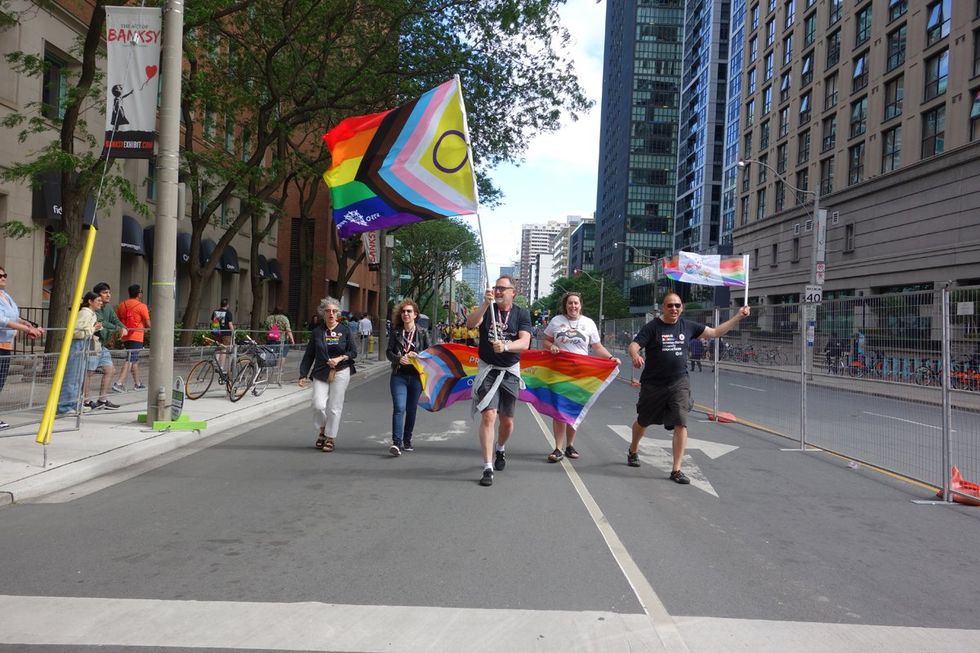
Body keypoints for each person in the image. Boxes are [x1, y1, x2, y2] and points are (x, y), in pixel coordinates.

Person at [627, 293, 750, 484]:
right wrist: (635, 355)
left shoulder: (688, 326)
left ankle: (676, 470)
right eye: (670, 305)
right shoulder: (652, 327)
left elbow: (715, 333)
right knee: (643, 421)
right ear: (663, 307)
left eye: (677, 305)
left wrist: (738, 316)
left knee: (681, 423)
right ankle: (633, 449)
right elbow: (634, 345)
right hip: (653, 384)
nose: (674, 309)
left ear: (682, 307)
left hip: (679, 382)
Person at [465, 275, 532, 487]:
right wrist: (485, 304)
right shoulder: (488, 308)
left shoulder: (521, 314)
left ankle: (500, 448)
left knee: (507, 421)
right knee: (489, 416)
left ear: (514, 292)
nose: (499, 291)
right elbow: (470, 324)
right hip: (488, 369)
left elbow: (525, 342)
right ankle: (487, 467)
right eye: (496, 288)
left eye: (503, 288)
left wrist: (505, 346)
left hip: (510, 370)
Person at [543, 291, 617, 463]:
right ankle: (558, 448)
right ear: (565, 305)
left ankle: (570, 445)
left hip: (581, 373)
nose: (573, 306)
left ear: (580, 305)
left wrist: (611, 358)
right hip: (559, 372)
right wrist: (551, 346)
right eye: (570, 303)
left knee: (574, 408)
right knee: (559, 409)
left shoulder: (588, 323)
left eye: (576, 303)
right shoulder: (556, 321)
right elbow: (545, 340)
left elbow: (597, 346)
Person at [298, 297, 358, 452]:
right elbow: (309, 354)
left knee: (334, 406)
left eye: (334, 311)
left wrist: (339, 358)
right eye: (328, 311)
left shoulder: (345, 330)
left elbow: (353, 352)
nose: (331, 314)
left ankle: (330, 437)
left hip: (341, 370)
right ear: (323, 313)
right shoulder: (317, 332)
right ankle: (323, 428)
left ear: (338, 313)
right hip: (321, 371)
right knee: (318, 404)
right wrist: (303, 374)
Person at [0, 266, 44, 429]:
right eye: (0, 276)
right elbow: (2, 320)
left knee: (0, 382)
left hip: (6, 345)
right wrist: (27, 329)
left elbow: (13, 316)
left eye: (5, 274)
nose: (3, 277)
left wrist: (25, 323)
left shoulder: (6, 295)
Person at [386, 299, 430, 456]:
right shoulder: (396, 332)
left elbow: (429, 355)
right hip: (399, 375)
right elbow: (388, 352)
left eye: (409, 311)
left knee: (411, 410)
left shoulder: (423, 333)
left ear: (415, 314)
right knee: (399, 408)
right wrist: (399, 359)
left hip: (416, 377)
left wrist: (417, 356)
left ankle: (407, 440)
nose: (406, 314)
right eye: (403, 311)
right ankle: (396, 443)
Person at [58, 292, 102, 415]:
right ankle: (65, 406)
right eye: (98, 300)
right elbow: (76, 332)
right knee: (73, 376)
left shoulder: (91, 314)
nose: (100, 303)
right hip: (78, 344)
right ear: (90, 301)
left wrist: (93, 328)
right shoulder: (85, 313)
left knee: (79, 376)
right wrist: (94, 328)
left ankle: (74, 404)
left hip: (83, 344)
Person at [85, 282, 125, 410]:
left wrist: (122, 327)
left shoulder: (108, 307)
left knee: (110, 370)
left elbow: (114, 320)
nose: (108, 295)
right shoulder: (93, 309)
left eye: (109, 292)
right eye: (105, 292)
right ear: (97, 295)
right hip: (93, 343)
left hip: (102, 345)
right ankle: (85, 401)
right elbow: (102, 323)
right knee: (89, 372)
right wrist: (118, 328)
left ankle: (102, 399)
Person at [112, 284, 150, 392]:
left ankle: (137, 383)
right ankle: (119, 383)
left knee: (134, 360)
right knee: (130, 359)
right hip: (137, 336)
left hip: (126, 335)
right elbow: (148, 323)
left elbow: (118, 320)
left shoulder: (122, 305)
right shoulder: (142, 306)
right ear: (139, 293)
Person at [210, 298, 235, 371]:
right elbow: (230, 324)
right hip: (226, 333)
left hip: (216, 332)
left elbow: (213, 322)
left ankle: (215, 362)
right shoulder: (228, 313)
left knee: (218, 347)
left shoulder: (215, 312)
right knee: (224, 349)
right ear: (227, 305)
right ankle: (221, 367)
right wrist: (233, 332)